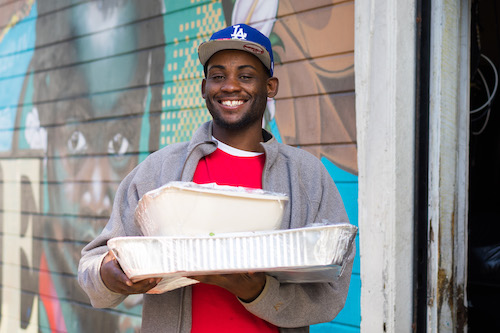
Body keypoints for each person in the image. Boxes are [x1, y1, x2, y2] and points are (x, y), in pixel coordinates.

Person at [78, 23, 355, 332]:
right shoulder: (159, 170)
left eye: (246, 76)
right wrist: (108, 276)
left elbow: (331, 294)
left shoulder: (307, 175)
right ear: (203, 88)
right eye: (218, 76)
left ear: (271, 86)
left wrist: (256, 291)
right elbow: (93, 265)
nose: (230, 86)